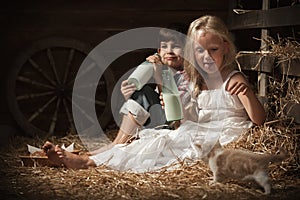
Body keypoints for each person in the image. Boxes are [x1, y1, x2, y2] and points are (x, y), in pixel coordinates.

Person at [43, 15, 266, 171]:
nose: (206, 56)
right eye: (199, 50)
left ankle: (88, 162)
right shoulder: (199, 80)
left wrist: (248, 92)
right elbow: (190, 117)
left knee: (163, 151)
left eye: (213, 50)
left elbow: (258, 119)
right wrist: (174, 103)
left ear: (226, 47)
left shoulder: (233, 79)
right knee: (154, 143)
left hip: (224, 137)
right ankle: (87, 161)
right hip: (198, 130)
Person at [88, 25, 189, 155]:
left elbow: (172, 110)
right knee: (141, 91)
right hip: (156, 122)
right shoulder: (163, 70)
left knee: (145, 92)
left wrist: (157, 75)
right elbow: (144, 108)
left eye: (175, 46)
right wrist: (129, 95)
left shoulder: (185, 75)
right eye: (164, 46)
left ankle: (115, 147)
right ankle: (115, 145)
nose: (169, 51)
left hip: (175, 127)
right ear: (158, 51)